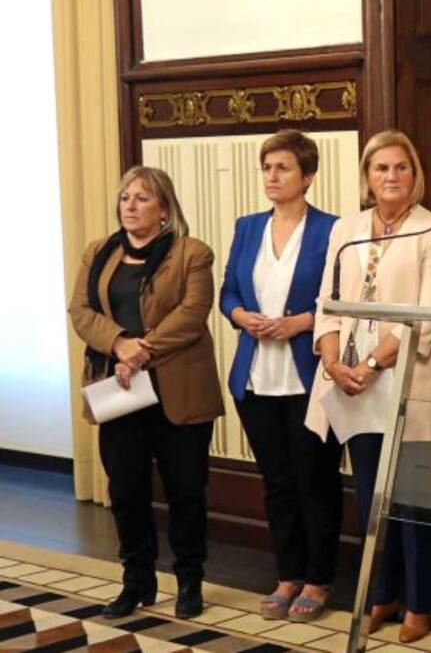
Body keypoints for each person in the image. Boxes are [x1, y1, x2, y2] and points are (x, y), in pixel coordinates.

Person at [305, 129, 431, 643]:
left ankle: (419, 605)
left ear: (415, 175)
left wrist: (372, 362)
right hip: (352, 384)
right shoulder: (346, 228)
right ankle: (382, 594)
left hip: (410, 380)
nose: (391, 176)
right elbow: (327, 302)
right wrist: (332, 362)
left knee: (414, 501)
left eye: (401, 167)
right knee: (374, 497)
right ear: (367, 177)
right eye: (381, 168)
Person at [68, 166, 223, 620]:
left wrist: (141, 352)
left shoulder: (192, 253)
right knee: (126, 490)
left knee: (186, 492)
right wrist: (119, 344)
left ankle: (189, 580)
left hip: (178, 389)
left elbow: (192, 314)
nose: (130, 206)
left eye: (141, 198)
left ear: (164, 209)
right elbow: (81, 310)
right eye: (125, 198)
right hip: (118, 388)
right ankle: (137, 580)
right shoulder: (99, 251)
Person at [219, 130, 341, 622]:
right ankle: (288, 574)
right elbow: (228, 292)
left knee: (316, 481)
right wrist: (240, 316)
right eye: (267, 167)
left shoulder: (331, 229)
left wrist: (302, 323)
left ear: (307, 176)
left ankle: (319, 578)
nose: (272, 176)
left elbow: (340, 298)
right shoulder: (248, 227)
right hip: (255, 378)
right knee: (276, 482)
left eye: (283, 167)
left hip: (309, 377)